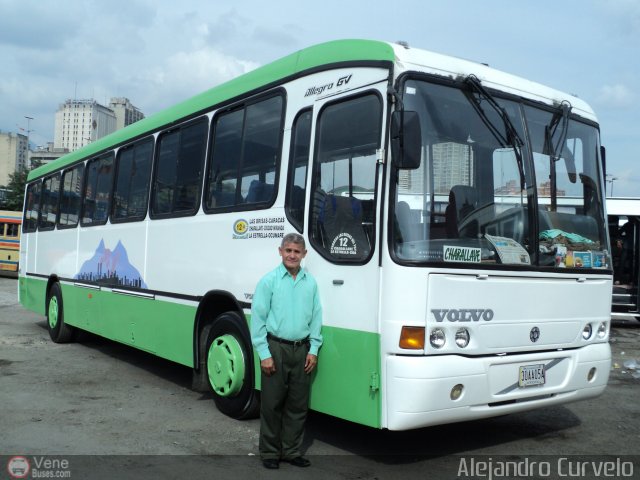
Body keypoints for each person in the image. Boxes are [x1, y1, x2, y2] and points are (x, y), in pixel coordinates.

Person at [250, 232, 323, 469]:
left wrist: (313, 349)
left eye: (297, 251)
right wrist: (264, 354)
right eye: (288, 250)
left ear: (304, 255)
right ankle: (270, 452)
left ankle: (291, 451)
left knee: (297, 404)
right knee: (271, 404)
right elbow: (258, 320)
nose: (292, 255)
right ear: (280, 251)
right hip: (276, 349)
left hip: (301, 350)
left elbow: (316, 318)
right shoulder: (269, 281)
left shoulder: (310, 282)